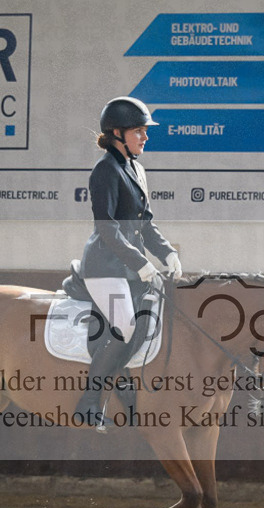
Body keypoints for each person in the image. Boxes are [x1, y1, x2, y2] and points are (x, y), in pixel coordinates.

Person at [74, 96, 183, 427]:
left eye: (144, 131)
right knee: (125, 326)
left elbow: (145, 224)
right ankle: (89, 402)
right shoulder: (104, 171)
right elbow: (106, 230)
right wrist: (141, 263)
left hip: (129, 269)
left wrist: (167, 253)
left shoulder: (136, 168)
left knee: (149, 320)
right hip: (103, 267)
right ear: (117, 133)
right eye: (139, 131)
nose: (145, 137)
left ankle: (123, 383)